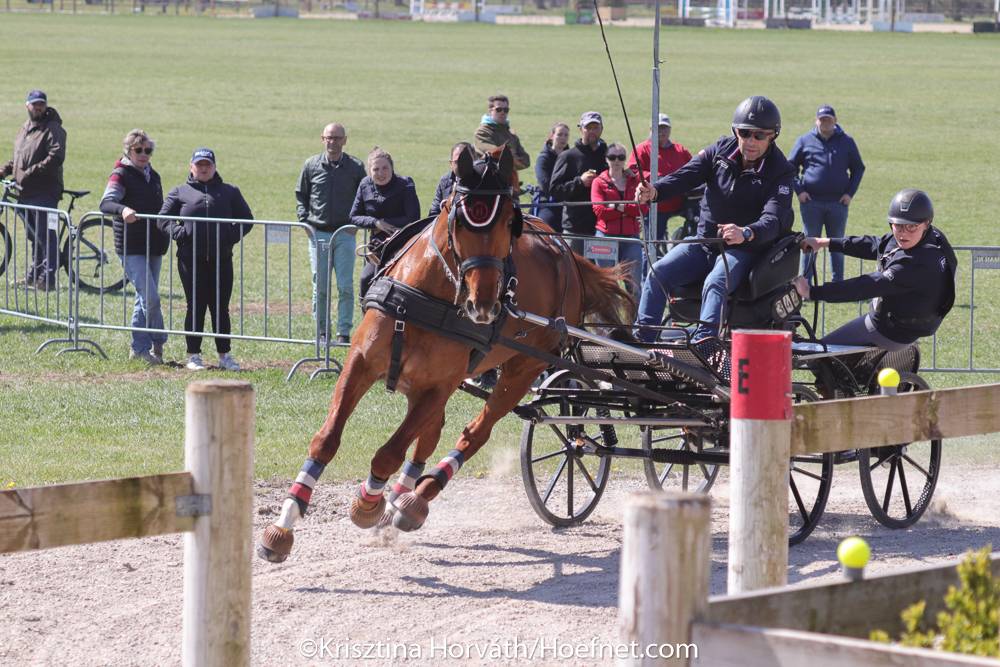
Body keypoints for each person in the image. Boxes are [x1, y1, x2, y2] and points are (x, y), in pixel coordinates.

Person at [634, 96, 795, 343]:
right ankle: (642, 341)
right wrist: (655, 191)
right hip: (704, 244)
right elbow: (686, 175)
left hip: (742, 250)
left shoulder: (781, 171)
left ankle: (704, 344)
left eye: (759, 135)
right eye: (745, 133)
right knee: (657, 273)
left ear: (772, 136)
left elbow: (774, 219)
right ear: (735, 131)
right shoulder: (720, 150)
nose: (751, 141)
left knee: (715, 282)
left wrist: (746, 232)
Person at [792, 189, 956, 351]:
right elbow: (878, 245)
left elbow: (865, 286)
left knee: (817, 353)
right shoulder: (930, 236)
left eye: (911, 227)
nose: (903, 233)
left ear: (926, 223)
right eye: (898, 225)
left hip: (888, 331)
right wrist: (826, 242)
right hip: (899, 325)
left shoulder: (915, 264)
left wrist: (811, 292)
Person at [158, 148, 254, 372]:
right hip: (190, 261)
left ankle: (224, 355)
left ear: (214, 167)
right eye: (199, 164)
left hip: (222, 260)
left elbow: (246, 219)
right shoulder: (180, 192)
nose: (203, 168)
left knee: (221, 308)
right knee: (196, 306)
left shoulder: (230, 191)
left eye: (207, 164)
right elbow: (162, 219)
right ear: (191, 167)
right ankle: (193, 355)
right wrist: (179, 233)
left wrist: (230, 237)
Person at [99, 129, 169, 365]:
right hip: (131, 246)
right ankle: (156, 342)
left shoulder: (154, 176)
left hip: (155, 244)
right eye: (138, 150)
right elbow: (106, 203)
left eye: (148, 150)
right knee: (150, 298)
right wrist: (122, 210)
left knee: (144, 298)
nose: (144, 154)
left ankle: (142, 349)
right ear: (128, 151)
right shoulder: (121, 174)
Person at [296, 122, 366, 346]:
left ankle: (343, 332)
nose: (332, 142)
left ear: (345, 140)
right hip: (319, 234)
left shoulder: (356, 167)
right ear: (322, 139)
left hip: (345, 233)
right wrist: (305, 223)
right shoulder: (311, 165)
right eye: (329, 137)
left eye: (337, 138)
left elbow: (364, 196)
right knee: (320, 286)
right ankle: (322, 331)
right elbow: (301, 196)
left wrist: (355, 224)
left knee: (345, 286)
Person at [789, 105, 866, 283]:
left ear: (835, 121)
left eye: (828, 120)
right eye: (822, 119)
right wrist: (799, 191)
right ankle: (805, 284)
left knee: (837, 244)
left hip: (838, 204)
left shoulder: (847, 141)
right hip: (811, 203)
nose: (825, 123)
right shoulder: (804, 141)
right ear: (816, 121)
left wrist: (849, 194)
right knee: (809, 244)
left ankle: (837, 283)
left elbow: (858, 168)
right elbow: (790, 167)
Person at [0, 90, 66, 290]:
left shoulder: (53, 128)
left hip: (45, 191)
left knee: (46, 234)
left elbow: (56, 157)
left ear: (45, 106)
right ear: (26, 105)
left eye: (41, 104)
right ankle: (34, 274)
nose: (38, 107)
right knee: (34, 235)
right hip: (25, 191)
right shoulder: (25, 128)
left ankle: (48, 278)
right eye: (34, 104)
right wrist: (4, 170)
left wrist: (29, 173)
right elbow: (19, 158)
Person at [350, 147, 421, 299]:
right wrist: (376, 223)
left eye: (385, 168)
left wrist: (388, 223)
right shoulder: (365, 184)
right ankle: (366, 311)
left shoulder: (405, 184)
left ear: (392, 168)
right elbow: (354, 216)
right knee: (366, 279)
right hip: (377, 247)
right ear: (369, 171)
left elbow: (413, 217)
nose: (381, 173)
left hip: (402, 245)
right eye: (376, 169)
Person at [627, 113, 692, 240]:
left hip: (680, 201)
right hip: (655, 204)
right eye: (658, 128)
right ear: (651, 130)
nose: (661, 132)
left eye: (664, 128)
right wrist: (656, 178)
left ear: (670, 130)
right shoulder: (642, 149)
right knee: (653, 241)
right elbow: (633, 171)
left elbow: (694, 168)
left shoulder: (680, 150)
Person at [549, 111, 608, 249]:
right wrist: (580, 182)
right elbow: (554, 190)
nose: (592, 131)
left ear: (602, 129)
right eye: (588, 127)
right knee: (571, 263)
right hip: (575, 229)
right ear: (581, 129)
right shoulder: (568, 156)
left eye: (596, 127)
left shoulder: (610, 156)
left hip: (604, 228)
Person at [591, 142, 643, 298]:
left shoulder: (635, 181)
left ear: (625, 159)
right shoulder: (598, 182)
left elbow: (642, 209)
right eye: (612, 157)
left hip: (631, 238)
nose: (616, 161)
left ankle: (635, 314)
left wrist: (615, 206)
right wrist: (627, 210)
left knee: (634, 286)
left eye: (621, 157)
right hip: (605, 237)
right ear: (606, 159)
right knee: (606, 285)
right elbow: (599, 211)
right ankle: (606, 314)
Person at [473, 95, 530, 172]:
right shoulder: (482, 132)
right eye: (498, 109)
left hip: (509, 177)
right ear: (490, 111)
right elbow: (497, 155)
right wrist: (514, 158)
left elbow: (526, 161)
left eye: (506, 110)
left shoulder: (510, 134)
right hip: (488, 176)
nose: (503, 113)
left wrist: (510, 158)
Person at [532, 122, 570, 228]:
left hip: (567, 202)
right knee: (548, 223)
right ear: (552, 136)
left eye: (566, 135)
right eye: (559, 134)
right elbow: (544, 184)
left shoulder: (571, 156)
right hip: (548, 202)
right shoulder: (543, 158)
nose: (563, 138)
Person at [428, 142, 473, 218]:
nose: (462, 165)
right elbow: (433, 213)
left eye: (465, 161)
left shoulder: (482, 182)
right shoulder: (445, 181)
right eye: (457, 162)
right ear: (451, 164)